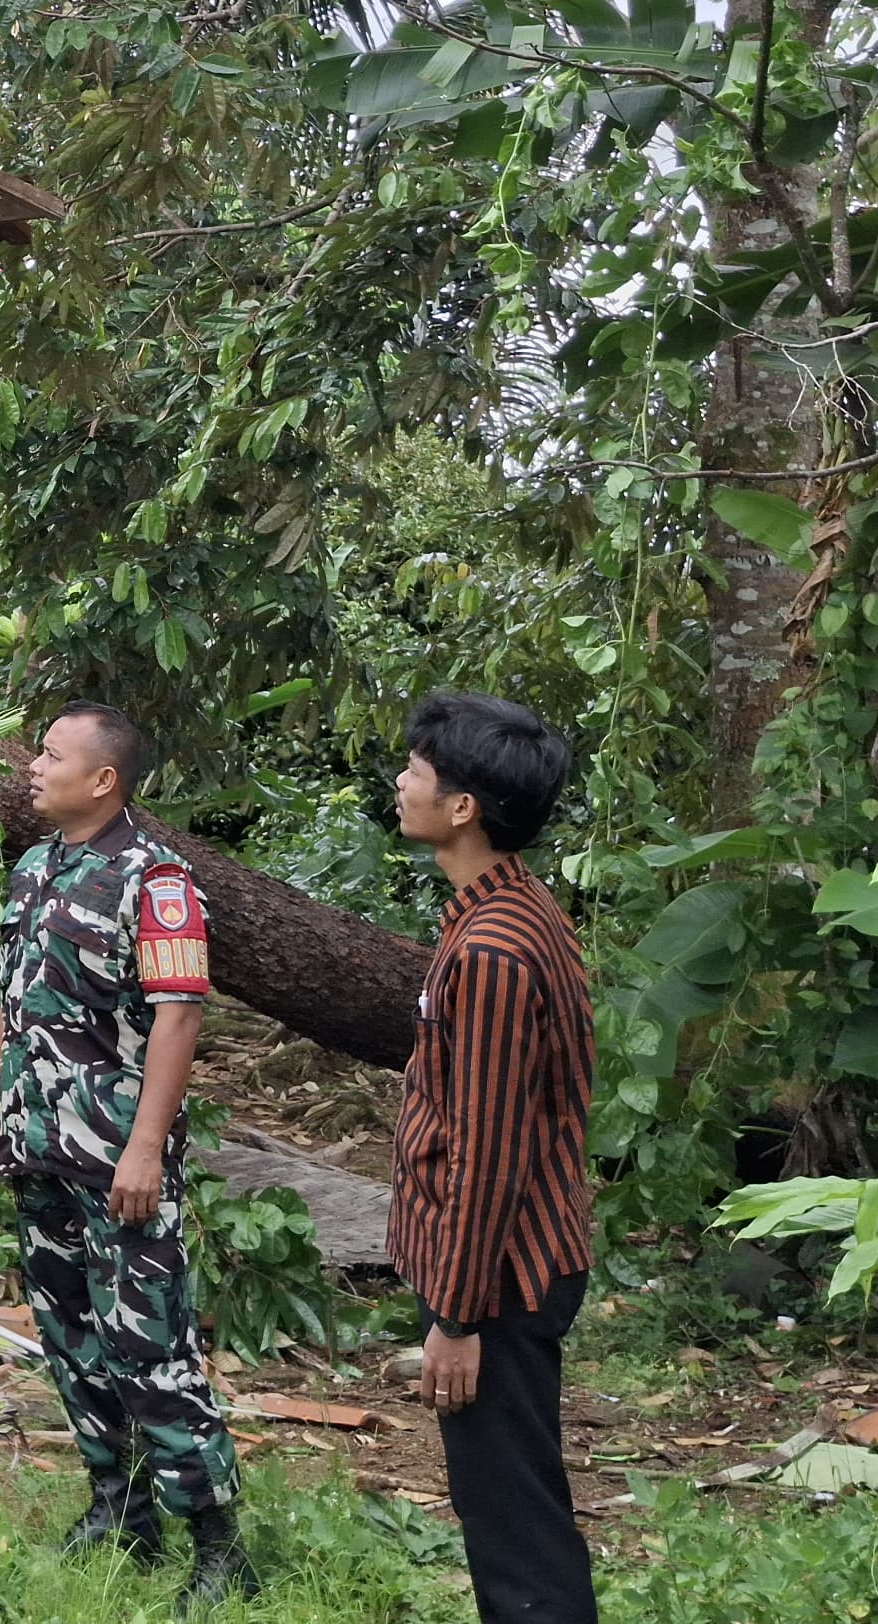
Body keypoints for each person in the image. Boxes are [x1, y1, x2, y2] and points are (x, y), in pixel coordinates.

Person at [0, 701, 254, 1607]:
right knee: (70, 1337)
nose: (32, 765)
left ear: (104, 779)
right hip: (38, 1146)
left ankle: (217, 1546)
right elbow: (17, 1013)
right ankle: (119, 1509)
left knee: (148, 1344)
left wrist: (143, 1151)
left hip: (116, 1159)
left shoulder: (157, 881)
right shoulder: (33, 869)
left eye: (50, 754)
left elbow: (179, 1016)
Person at [383, 692, 596, 1624]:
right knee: (507, 1498)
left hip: (501, 1276)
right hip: (502, 1266)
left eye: (418, 771)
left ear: (463, 806)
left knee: (510, 1512)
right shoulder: (501, 912)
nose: (402, 781)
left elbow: (490, 1152)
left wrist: (457, 1317)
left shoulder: (497, 950)